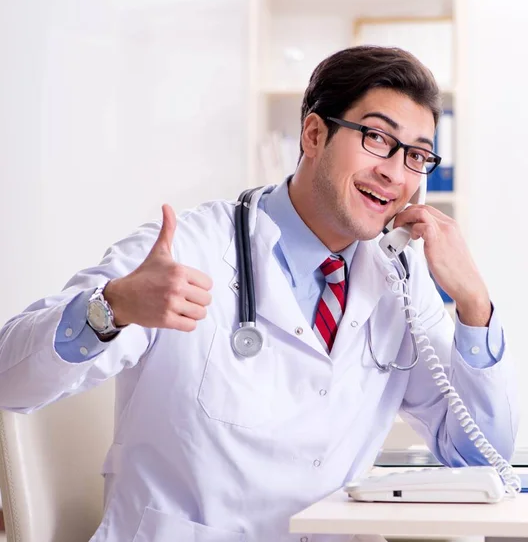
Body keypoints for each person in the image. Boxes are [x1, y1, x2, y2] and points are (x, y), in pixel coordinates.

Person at [0, 46, 517, 542]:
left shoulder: (399, 276)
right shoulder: (190, 248)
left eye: (416, 155)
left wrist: (474, 304)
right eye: (377, 139)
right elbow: (10, 379)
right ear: (314, 134)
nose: (395, 172)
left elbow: (482, 458)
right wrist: (112, 307)